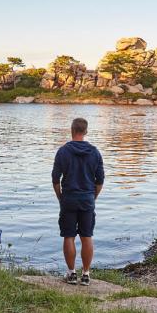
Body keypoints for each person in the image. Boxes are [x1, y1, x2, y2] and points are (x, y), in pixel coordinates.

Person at [52, 117, 104, 286]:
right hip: (87, 198)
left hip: (69, 198)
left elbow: (55, 179)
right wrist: (93, 197)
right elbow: (100, 180)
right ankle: (86, 274)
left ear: (72, 130)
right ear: (86, 132)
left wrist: (60, 197)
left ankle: (71, 273)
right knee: (87, 236)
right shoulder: (95, 152)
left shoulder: (63, 151)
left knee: (69, 236)